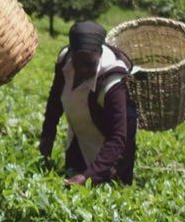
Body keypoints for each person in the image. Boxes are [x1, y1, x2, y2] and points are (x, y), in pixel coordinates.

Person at [38, 21, 138, 186]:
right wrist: (47, 137)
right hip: (80, 132)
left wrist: (87, 177)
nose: (83, 69)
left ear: (99, 55)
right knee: (70, 178)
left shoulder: (112, 79)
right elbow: (55, 101)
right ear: (72, 54)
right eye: (79, 63)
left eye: (89, 64)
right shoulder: (65, 62)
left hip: (112, 147)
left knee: (109, 186)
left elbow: (118, 136)